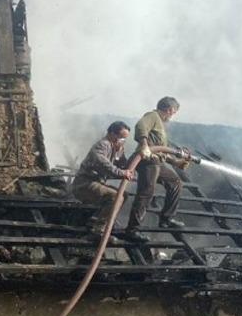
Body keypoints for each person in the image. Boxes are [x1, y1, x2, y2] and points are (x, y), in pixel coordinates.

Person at [125, 96, 191, 242]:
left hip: (157, 162)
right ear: (170, 110)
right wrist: (143, 145)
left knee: (175, 183)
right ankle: (132, 230)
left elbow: (160, 150)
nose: (172, 116)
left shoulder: (160, 124)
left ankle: (166, 219)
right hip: (148, 161)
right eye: (173, 112)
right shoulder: (152, 116)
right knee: (146, 192)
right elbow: (141, 126)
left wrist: (176, 162)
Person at [70, 121, 136, 234]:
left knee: (123, 195)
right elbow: (103, 163)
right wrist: (121, 173)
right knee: (116, 197)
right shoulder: (103, 145)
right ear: (111, 133)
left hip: (96, 183)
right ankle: (99, 228)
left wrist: (123, 156)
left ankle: (97, 219)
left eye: (124, 139)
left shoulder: (115, 148)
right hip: (84, 184)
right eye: (120, 137)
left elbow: (122, 165)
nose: (122, 141)